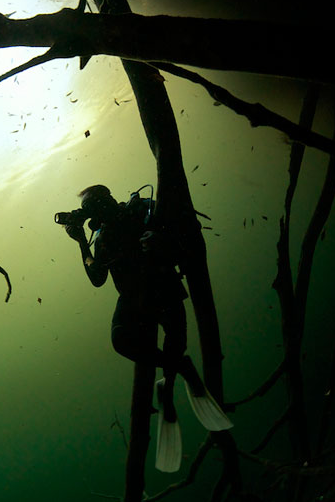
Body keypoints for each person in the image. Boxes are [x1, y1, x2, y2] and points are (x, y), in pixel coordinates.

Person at [61, 184, 231, 472]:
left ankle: (171, 377)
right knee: (120, 340)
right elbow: (97, 278)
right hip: (133, 301)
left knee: (175, 343)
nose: (92, 213)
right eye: (88, 209)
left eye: (94, 204)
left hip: (164, 287)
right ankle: (180, 369)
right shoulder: (100, 239)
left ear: (108, 200)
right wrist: (80, 242)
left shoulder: (142, 210)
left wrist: (161, 239)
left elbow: (188, 229)